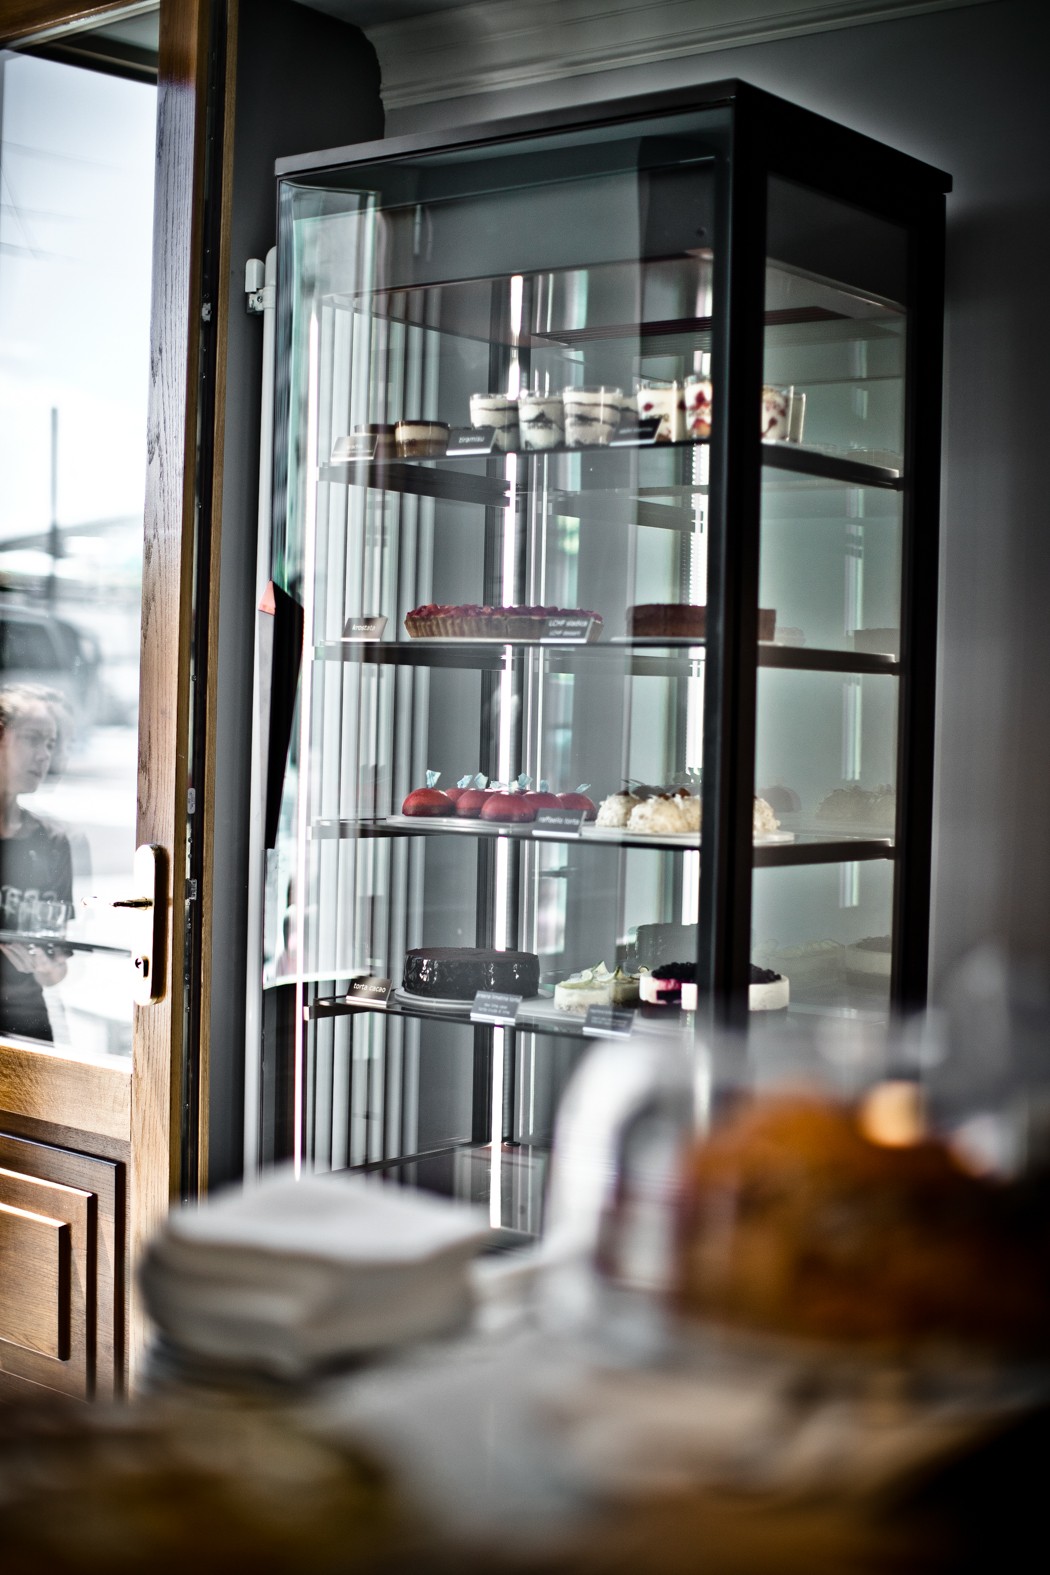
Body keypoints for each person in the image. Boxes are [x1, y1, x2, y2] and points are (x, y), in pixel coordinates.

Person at [0, 684, 73, 1042]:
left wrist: (45, 967)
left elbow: (56, 970)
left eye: (50, 744)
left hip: (27, 1028)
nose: (44, 755)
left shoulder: (52, 842)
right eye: (33, 739)